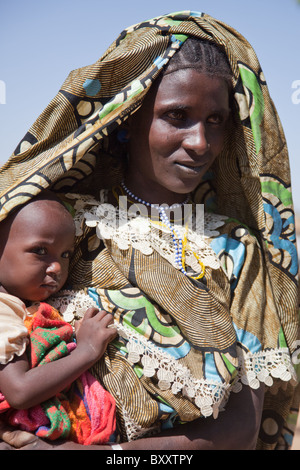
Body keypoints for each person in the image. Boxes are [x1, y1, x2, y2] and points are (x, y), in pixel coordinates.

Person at [0, 10, 299, 450]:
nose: (201, 142)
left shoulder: (237, 251)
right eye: (178, 116)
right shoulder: (60, 227)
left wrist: (115, 457)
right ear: (127, 121)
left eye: (215, 120)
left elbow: (239, 429)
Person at [0, 192, 117, 446]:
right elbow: (19, 391)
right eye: (40, 250)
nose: (57, 268)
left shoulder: (21, 304)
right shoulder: (3, 311)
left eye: (65, 255)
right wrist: (86, 351)